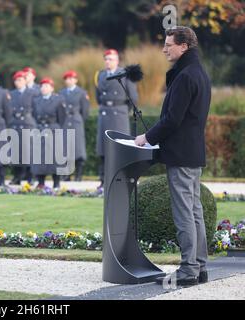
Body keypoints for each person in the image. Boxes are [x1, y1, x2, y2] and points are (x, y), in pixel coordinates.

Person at [135, 26, 211, 286]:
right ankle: (199, 267)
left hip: (180, 155)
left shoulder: (185, 76)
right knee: (195, 211)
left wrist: (147, 138)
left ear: (184, 46)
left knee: (184, 214)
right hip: (192, 153)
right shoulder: (198, 73)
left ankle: (189, 270)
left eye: (169, 44)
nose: (165, 48)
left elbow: (172, 120)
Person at [95, 49, 138, 194]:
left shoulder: (125, 74)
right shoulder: (100, 75)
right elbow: (98, 96)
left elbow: (133, 97)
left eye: (111, 59)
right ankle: (102, 180)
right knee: (103, 150)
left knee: (119, 149)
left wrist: (123, 111)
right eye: (106, 59)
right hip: (105, 113)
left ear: (117, 60)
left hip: (118, 114)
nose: (108, 61)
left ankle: (120, 180)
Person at [31, 77, 63, 189]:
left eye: (46, 86)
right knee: (40, 158)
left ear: (52, 88)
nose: (44, 88)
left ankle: (56, 182)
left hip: (53, 129)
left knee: (54, 158)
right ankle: (41, 182)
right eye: (42, 86)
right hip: (40, 130)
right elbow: (34, 115)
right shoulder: (36, 101)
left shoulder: (58, 100)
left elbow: (62, 118)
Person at [59, 70, 90, 182]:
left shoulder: (82, 93)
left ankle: (78, 175)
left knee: (78, 150)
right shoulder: (61, 92)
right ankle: (66, 175)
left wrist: (79, 119)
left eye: (72, 78)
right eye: (67, 78)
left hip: (76, 122)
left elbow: (85, 111)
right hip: (65, 122)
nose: (69, 80)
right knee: (66, 149)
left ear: (76, 80)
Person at [8, 70, 36, 185]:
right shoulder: (12, 94)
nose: (17, 82)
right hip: (15, 124)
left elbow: (37, 109)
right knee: (16, 152)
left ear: (25, 80)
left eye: (20, 80)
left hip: (28, 123)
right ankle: (17, 176)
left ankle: (30, 177)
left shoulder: (32, 93)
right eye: (16, 80)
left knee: (28, 152)